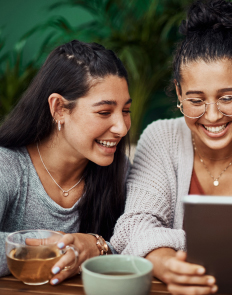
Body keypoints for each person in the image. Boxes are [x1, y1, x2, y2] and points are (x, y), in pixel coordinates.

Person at [110, 0, 232, 294]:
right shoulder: (161, 137)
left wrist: (162, 243)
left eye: (227, 98)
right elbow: (132, 227)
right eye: (196, 101)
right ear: (178, 92)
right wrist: (166, 266)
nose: (212, 116)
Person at [0, 40, 131, 284]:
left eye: (126, 110)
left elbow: (142, 240)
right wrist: (60, 247)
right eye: (104, 112)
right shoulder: (6, 166)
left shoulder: (120, 171)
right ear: (59, 108)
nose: (121, 128)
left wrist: (95, 246)